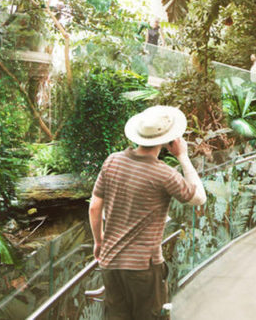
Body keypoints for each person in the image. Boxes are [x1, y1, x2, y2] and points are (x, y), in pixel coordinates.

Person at [89, 105, 207, 319]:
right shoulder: (164, 174)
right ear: (167, 139)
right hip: (143, 267)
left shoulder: (112, 161)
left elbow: (94, 206)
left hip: (110, 263)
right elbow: (199, 198)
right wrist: (183, 157)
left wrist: (99, 241)